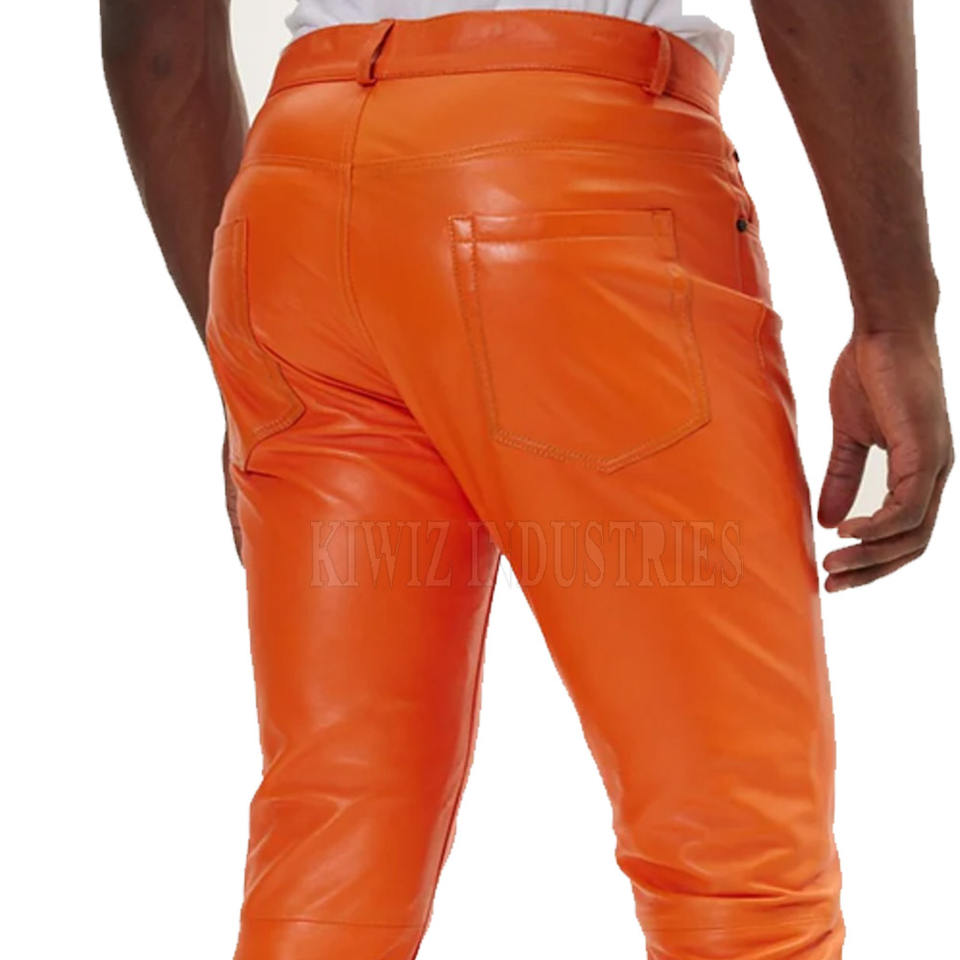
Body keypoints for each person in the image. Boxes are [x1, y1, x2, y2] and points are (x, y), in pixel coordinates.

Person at [100, 2, 952, 958]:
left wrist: (248, 366)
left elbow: (156, 47)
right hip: (567, 181)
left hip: (295, 212)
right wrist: (894, 317)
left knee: (337, 846)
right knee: (740, 868)